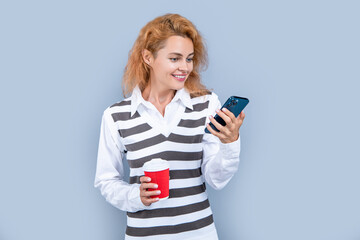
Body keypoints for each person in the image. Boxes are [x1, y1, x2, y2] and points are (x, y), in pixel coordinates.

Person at [94, 13, 246, 240]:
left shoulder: (206, 104)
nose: (184, 67)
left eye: (189, 58)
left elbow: (216, 180)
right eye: (175, 58)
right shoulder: (116, 116)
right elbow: (106, 181)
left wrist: (229, 143)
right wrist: (137, 196)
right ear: (148, 57)